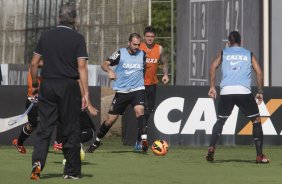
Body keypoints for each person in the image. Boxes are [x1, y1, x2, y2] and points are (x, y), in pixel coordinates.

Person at [29, 4, 98, 180]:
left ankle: (37, 164)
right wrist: (86, 95)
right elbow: (82, 67)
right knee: (71, 129)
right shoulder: (78, 38)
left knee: (45, 128)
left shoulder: (46, 36)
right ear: (74, 19)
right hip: (68, 86)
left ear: (58, 18)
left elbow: (34, 64)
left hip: (48, 85)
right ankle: (71, 172)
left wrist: (36, 82)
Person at [206, 31, 269, 164]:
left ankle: (212, 146)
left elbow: (212, 67)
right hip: (243, 91)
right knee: (256, 121)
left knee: (220, 121)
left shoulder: (224, 53)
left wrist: (212, 87)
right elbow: (259, 72)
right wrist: (260, 91)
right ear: (241, 41)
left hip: (226, 91)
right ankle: (259, 156)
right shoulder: (248, 53)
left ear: (228, 43)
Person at [85, 33, 148, 153]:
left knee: (140, 111)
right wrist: (109, 71)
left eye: (138, 45)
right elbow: (104, 64)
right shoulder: (120, 53)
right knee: (110, 120)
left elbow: (144, 70)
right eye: (134, 44)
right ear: (129, 43)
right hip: (122, 92)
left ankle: (144, 140)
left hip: (137, 89)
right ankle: (96, 141)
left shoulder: (143, 54)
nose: (136, 47)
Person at [135, 26, 169, 150]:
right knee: (142, 112)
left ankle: (140, 138)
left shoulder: (159, 48)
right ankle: (139, 141)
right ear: (144, 37)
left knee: (148, 112)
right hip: (139, 85)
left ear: (154, 37)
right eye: (148, 36)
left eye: (152, 37)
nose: (150, 39)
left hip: (152, 84)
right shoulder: (139, 48)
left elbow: (164, 62)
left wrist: (165, 74)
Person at [12, 60, 43, 153]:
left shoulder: (47, 73)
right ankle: (19, 142)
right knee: (33, 124)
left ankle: (61, 143)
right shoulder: (33, 68)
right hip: (32, 101)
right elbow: (37, 63)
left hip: (44, 102)